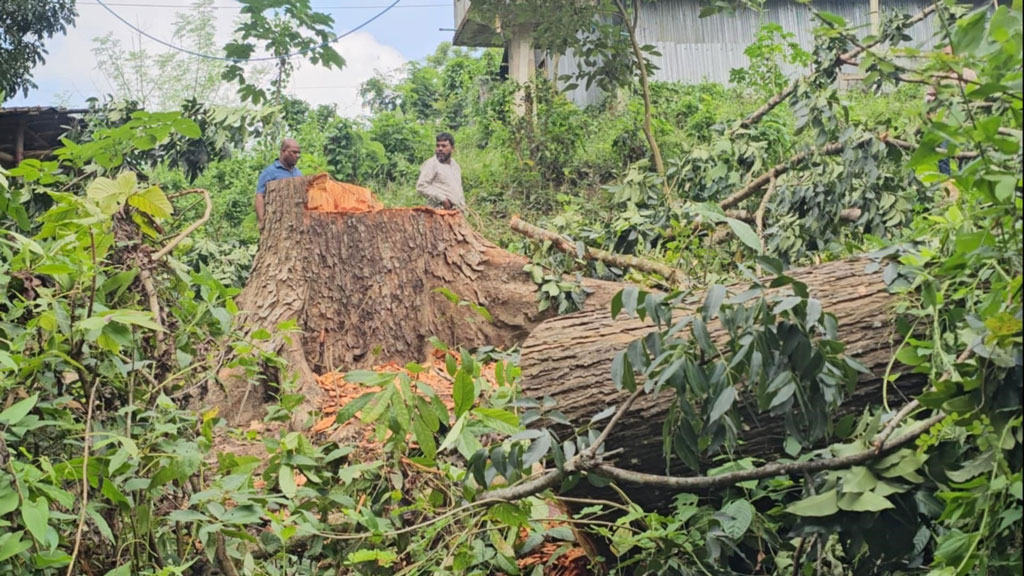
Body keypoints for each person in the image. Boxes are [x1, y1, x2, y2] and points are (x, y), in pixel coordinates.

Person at [255, 138, 302, 229]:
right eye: (294, 152)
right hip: (277, 224)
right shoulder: (269, 173)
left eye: (299, 153)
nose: (298, 156)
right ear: (283, 151)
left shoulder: (298, 173)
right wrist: (261, 221)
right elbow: (260, 196)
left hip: (297, 223)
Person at [416, 132, 465, 210]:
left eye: (444, 146)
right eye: (438, 146)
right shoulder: (432, 164)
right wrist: (443, 199)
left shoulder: (455, 166)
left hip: (456, 211)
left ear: (452, 149)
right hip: (438, 211)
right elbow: (421, 186)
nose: (440, 149)